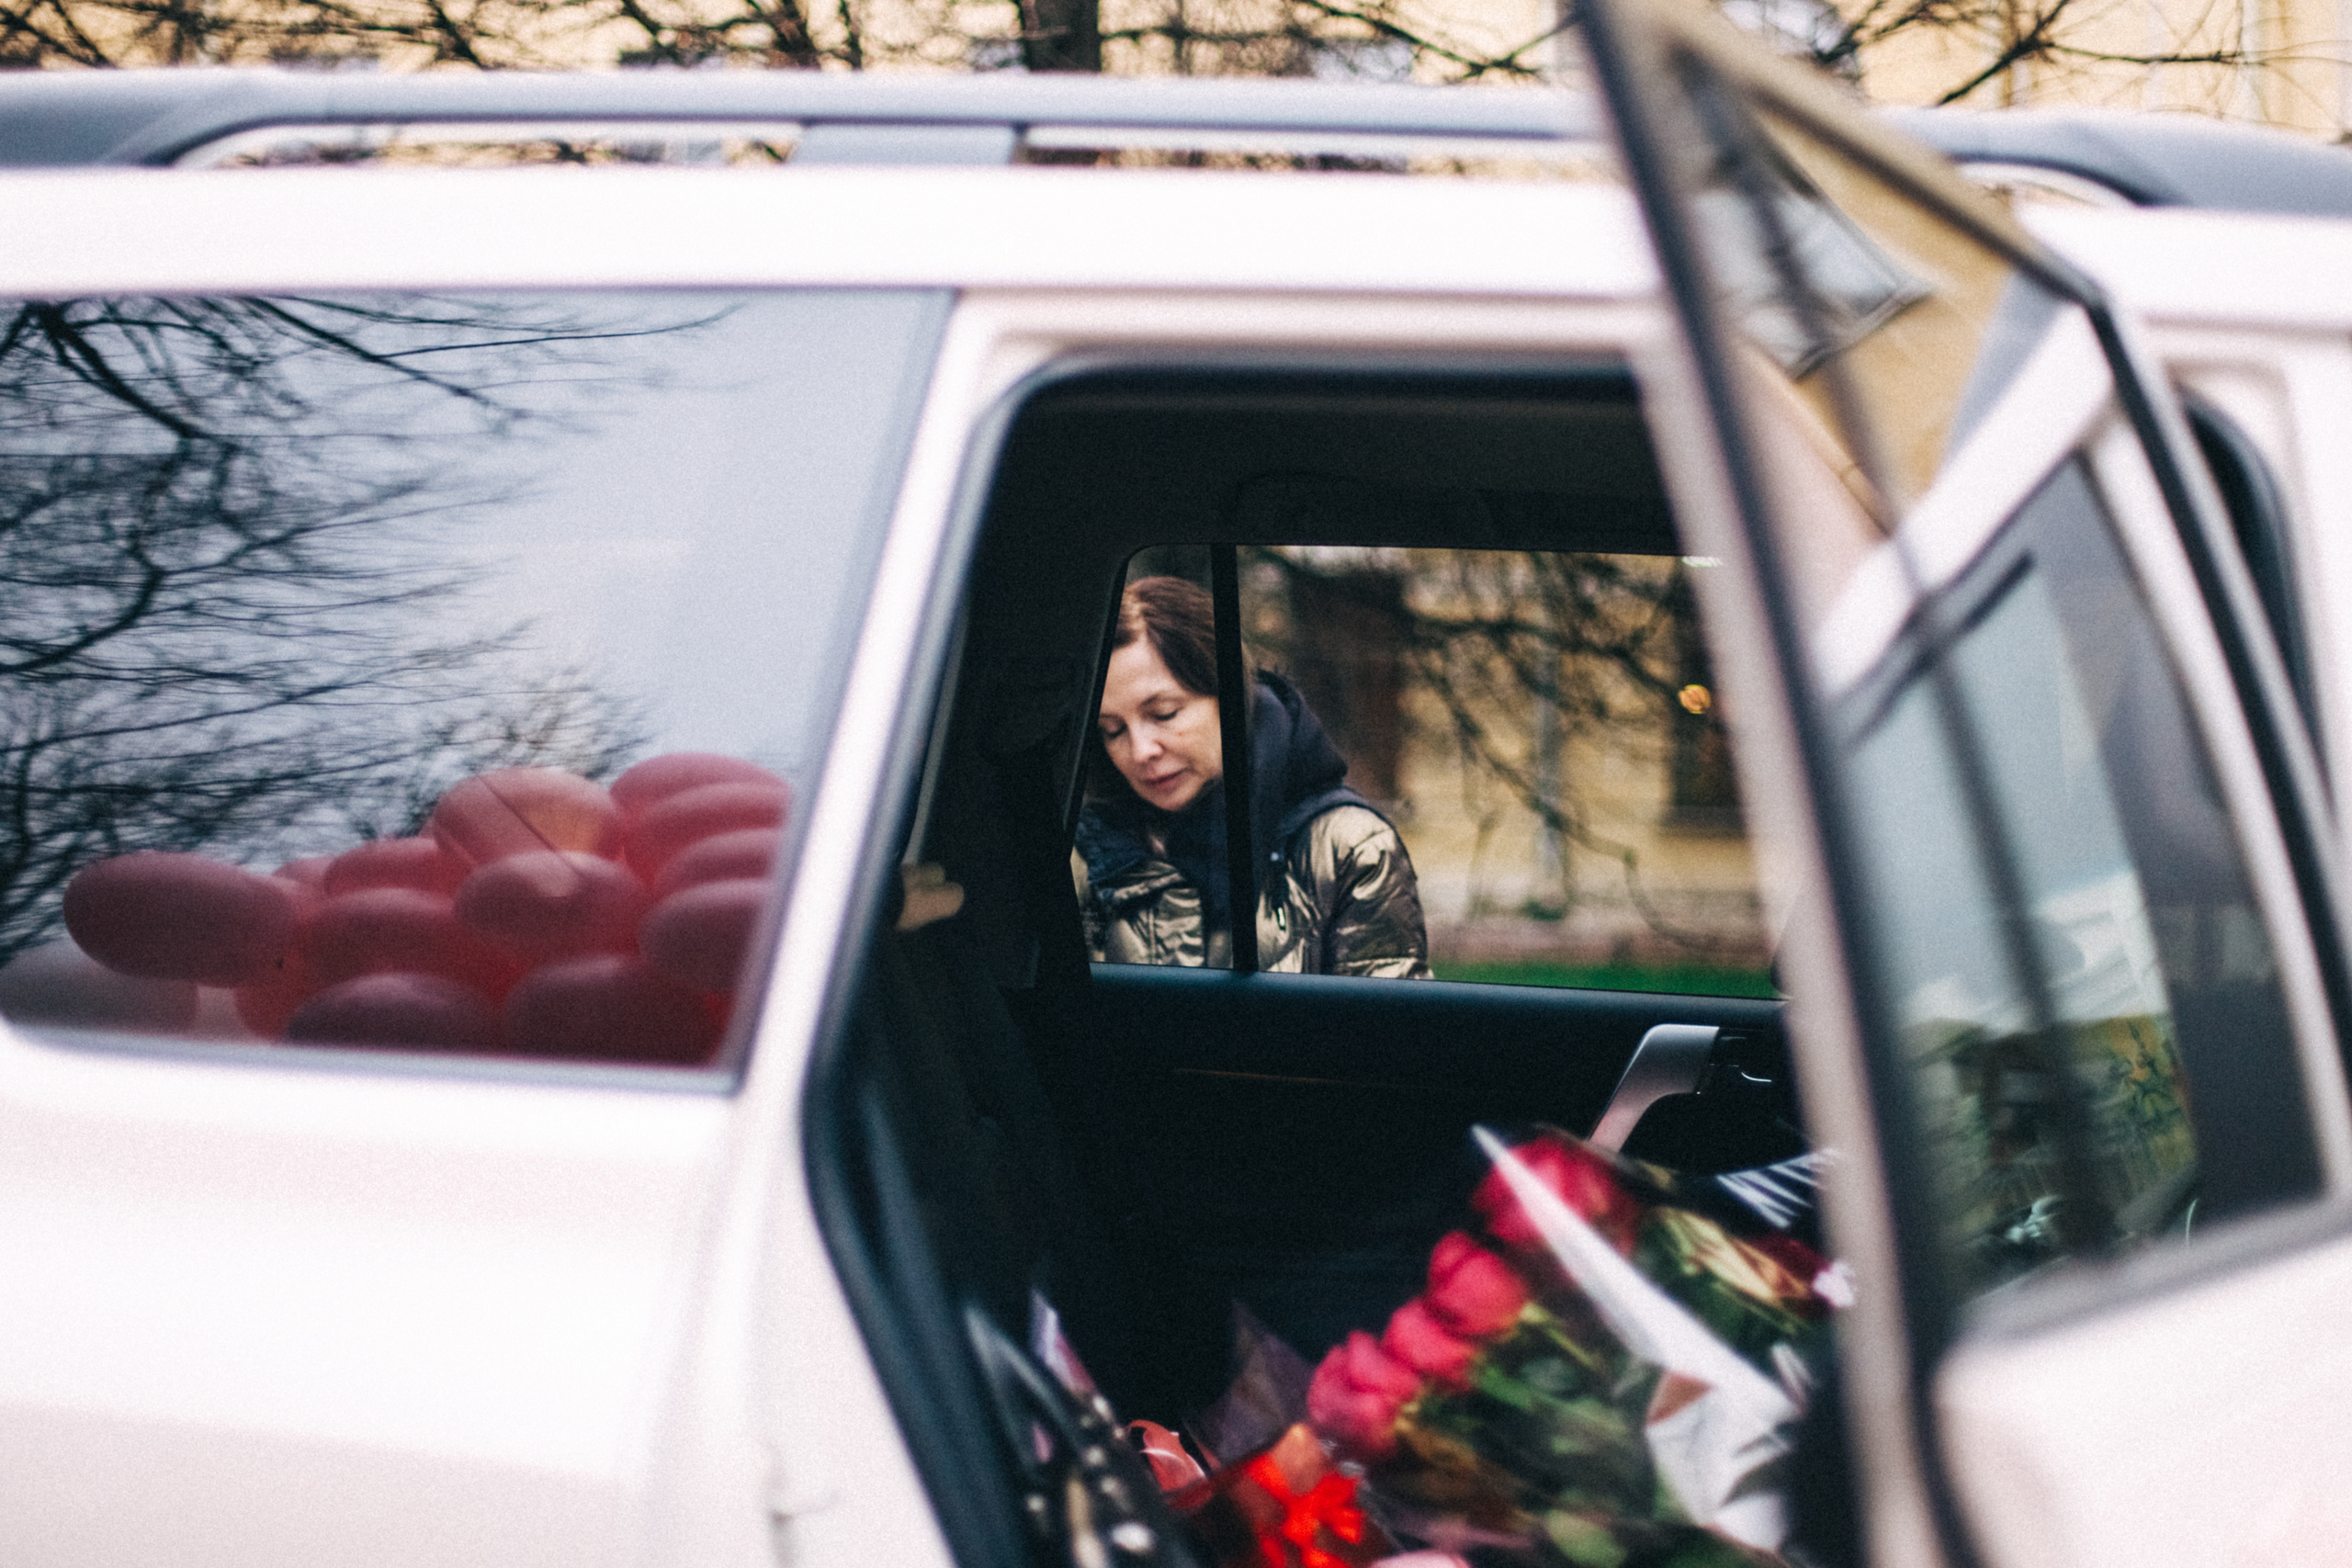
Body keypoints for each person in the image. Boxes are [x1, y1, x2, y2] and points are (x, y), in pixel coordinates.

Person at [1076, 575, 1430, 978]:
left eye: (1164, 714)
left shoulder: (1348, 850)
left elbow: (1382, 1033)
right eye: (1112, 730)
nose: (1141, 751)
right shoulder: (1084, 852)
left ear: (1228, 695)